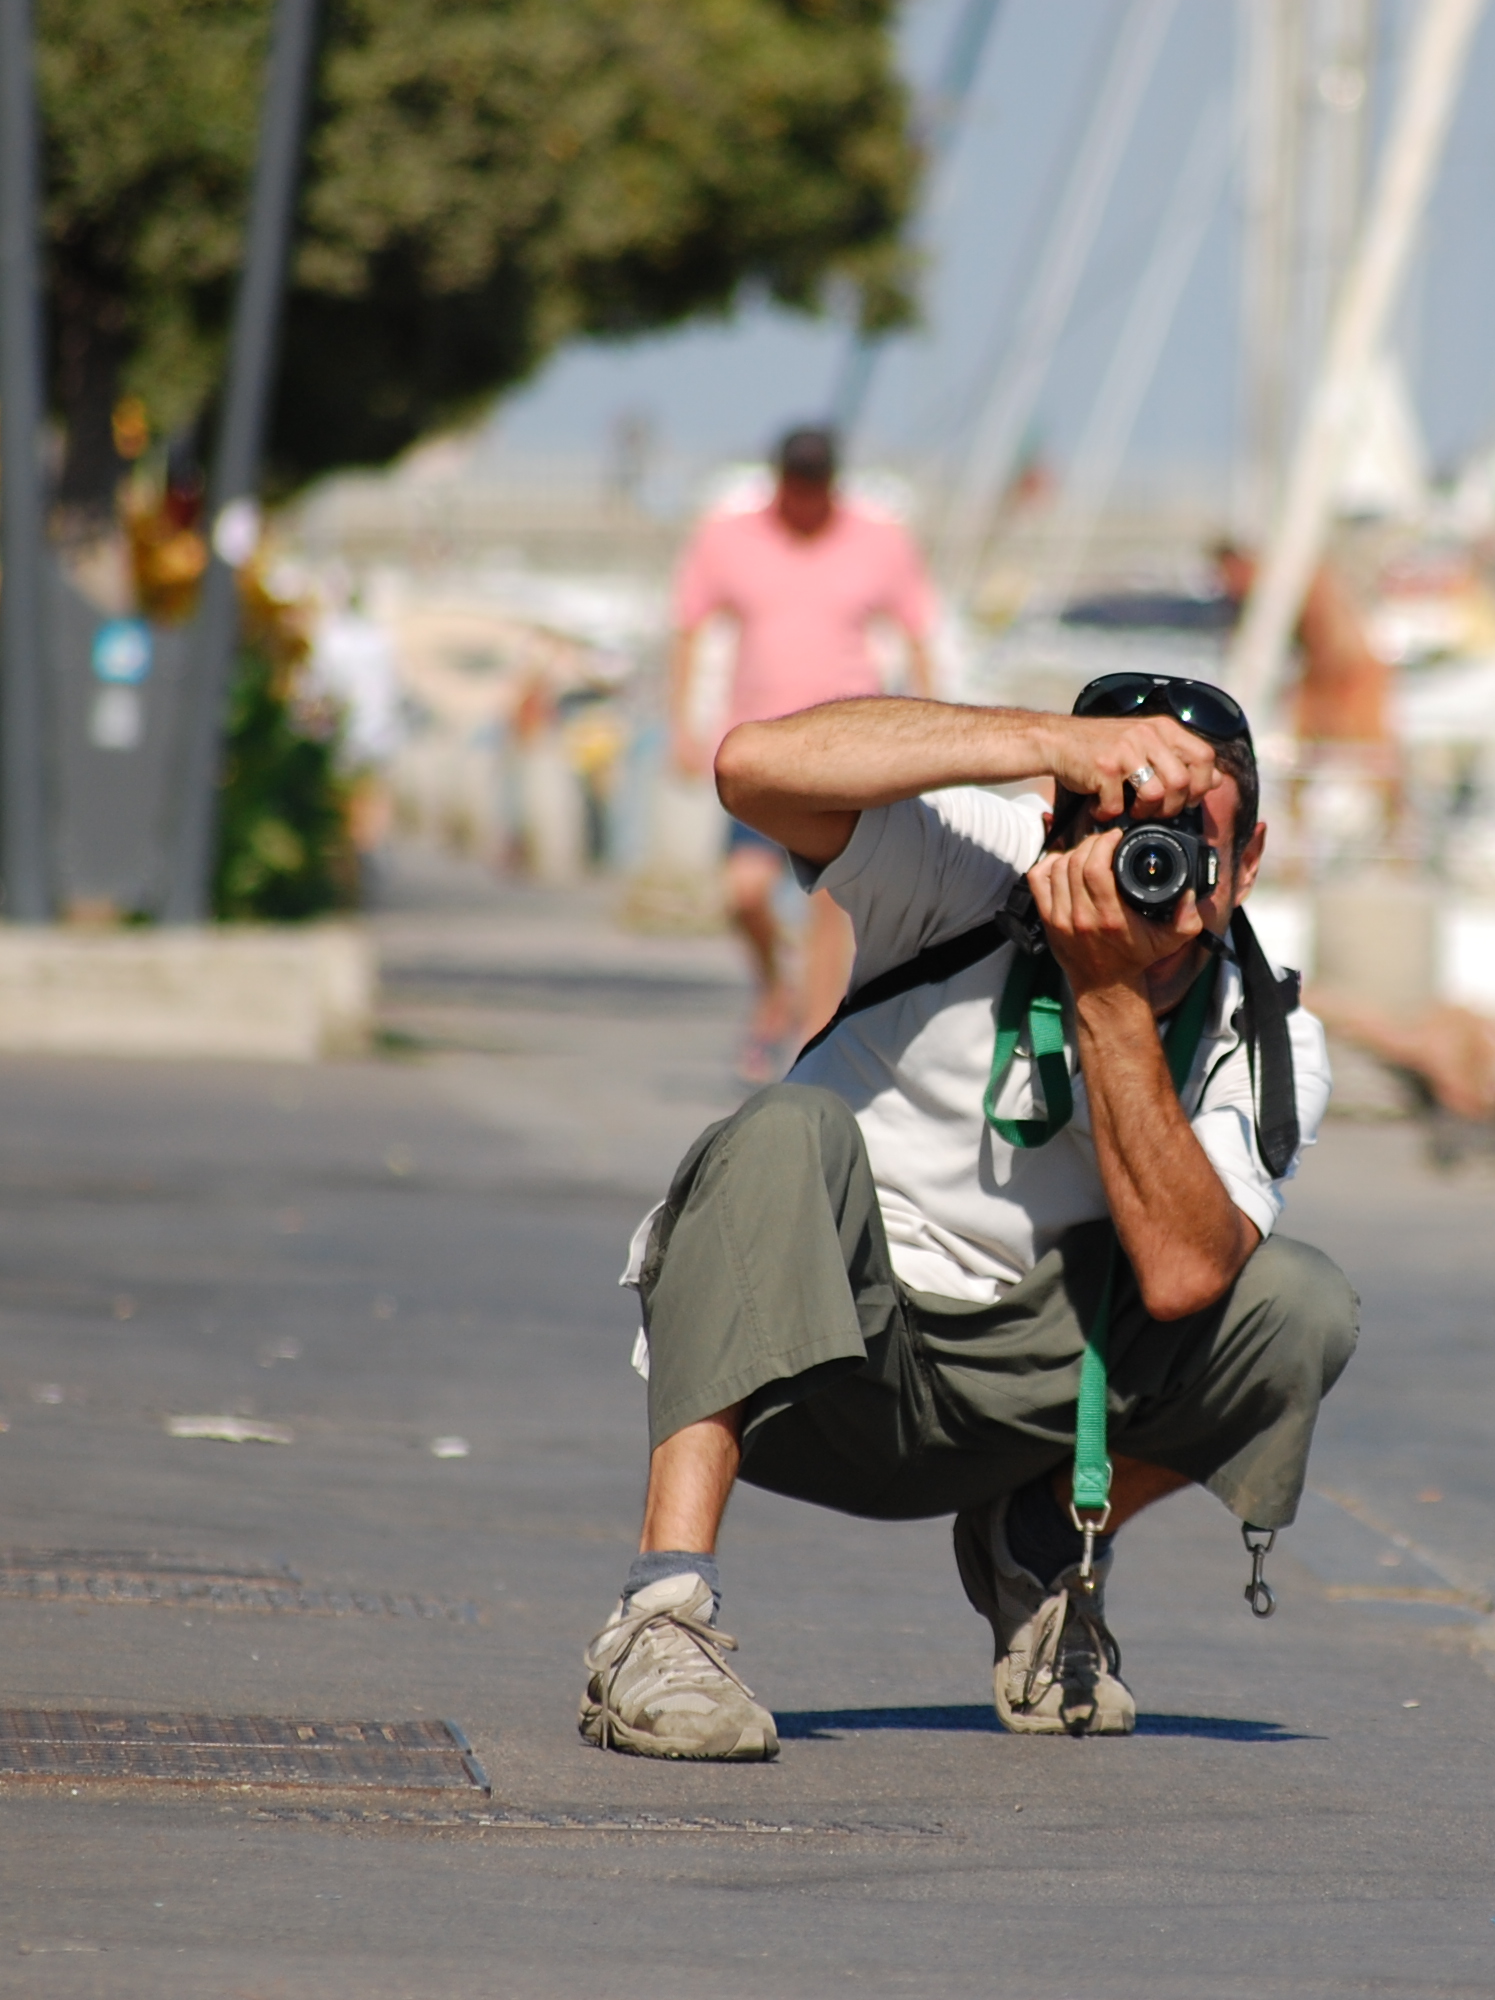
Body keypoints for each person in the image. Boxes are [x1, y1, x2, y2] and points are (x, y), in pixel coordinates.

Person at [581, 675, 1355, 1758]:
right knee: (783, 1128)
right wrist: (1049, 740)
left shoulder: (1261, 1036)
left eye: (1188, 840)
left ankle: (1034, 1543)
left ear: (1252, 856)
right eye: (1120, 827)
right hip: (810, 1359)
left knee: (1297, 1300)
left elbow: (1184, 1278)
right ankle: (659, 1623)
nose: (1149, 869)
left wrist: (1107, 994)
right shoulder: (975, 865)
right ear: (1061, 813)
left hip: (1029, 1408)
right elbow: (748, 767)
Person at [668, 426, 937, 1078]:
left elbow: (918, 631)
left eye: (818, 485)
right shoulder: (729, 535)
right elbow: (689, 626)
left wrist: (933, 734)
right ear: (779, 479)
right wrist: (683, 723)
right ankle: (773, 991)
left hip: (848, 755)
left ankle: (813, 1048)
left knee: (830, 910)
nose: (807, 500)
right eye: (797, 484)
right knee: (744, 892)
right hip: (759, 750)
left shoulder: (878, 538)